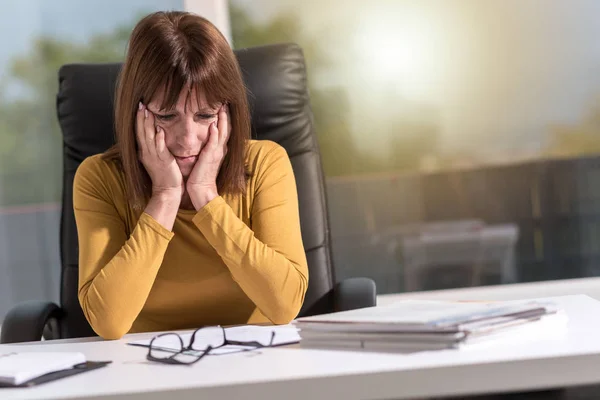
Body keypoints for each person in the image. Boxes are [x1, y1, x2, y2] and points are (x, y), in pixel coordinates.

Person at [73, 11, 309, 340]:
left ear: (228, 111)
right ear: (136, 112)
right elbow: (108, 323)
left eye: (205, 114)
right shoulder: (99, 178)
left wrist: (206, 197)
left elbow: (285, 305)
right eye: (167, 116)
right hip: (144, 368)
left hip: (252, 357)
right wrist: (165, 197)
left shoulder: (265, 163)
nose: (187, 139)